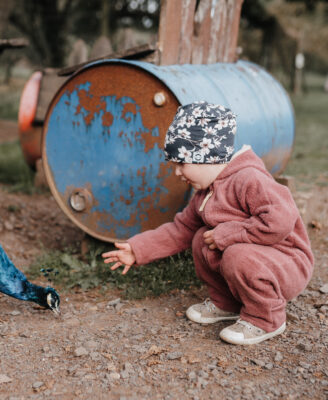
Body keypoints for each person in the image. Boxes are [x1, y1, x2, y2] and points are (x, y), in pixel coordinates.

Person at [102, 101, 314, 345]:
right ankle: (228, 303)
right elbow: (179, 230)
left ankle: (267, 317)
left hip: (286, 262)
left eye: (182, 163)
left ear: (207, 156)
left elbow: (280, 220)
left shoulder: (249, 179)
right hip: (255, 259)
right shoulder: (205, 193)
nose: (177, 173)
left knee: (236, 254)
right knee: (200, 239)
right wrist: (138, 249)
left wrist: (229, 233)